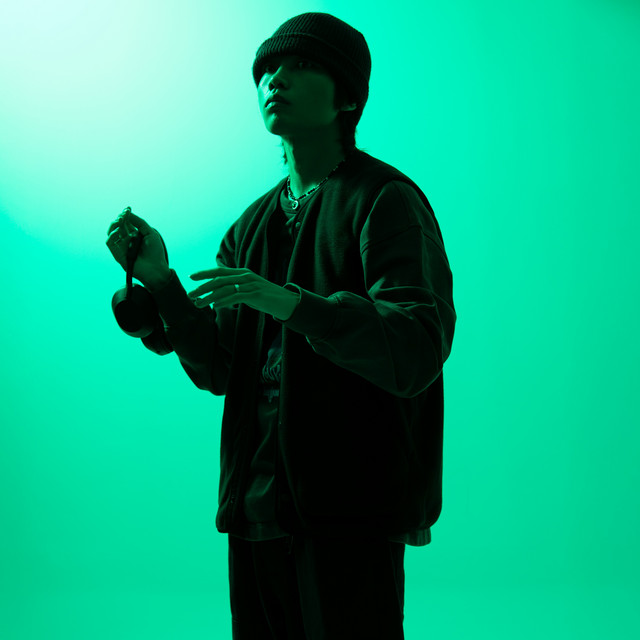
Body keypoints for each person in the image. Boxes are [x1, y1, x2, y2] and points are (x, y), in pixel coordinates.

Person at [106, 12, 456, 640]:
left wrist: (296, 306)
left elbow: (416, 347)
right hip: (255, 509)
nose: (277, 79)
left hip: (350, 509)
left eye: (303, 66)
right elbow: (221, 369)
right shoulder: (249, 228)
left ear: (347, 97)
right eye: (267, 69)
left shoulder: (385, 200)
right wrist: (161, 284)